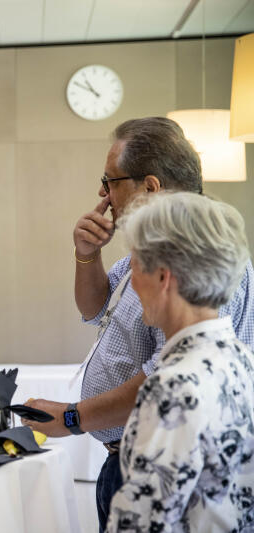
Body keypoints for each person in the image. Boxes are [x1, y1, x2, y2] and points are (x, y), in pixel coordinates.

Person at [22, 117, 254, 532]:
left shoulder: (171, 387)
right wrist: (87, 255)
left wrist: (73, 417)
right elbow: (97, 309)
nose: (102, 193)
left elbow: (143, 520)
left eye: (109, 180)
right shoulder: (234, 358)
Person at [106, 192, 254, 531]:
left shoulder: (173, 386)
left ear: (163, 277)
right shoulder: (245, 362)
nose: (132, 281)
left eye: (134, 265)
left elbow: (141, 523)